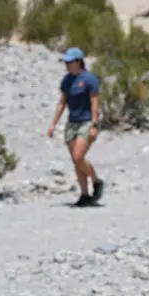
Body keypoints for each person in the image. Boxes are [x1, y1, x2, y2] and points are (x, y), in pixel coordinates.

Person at [47, 46, 105, 207]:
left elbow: (95, 103)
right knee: (75, 160)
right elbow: (62, 103)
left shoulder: (89, 79)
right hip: (72, 122)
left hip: (86, 121)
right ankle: (84, 194)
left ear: (79, 62)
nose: (66, 65)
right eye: (65, 62)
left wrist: (94, 125)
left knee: (78, 156)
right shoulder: (66, 80)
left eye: (70, 62)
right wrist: (53, 124)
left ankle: (96, 181)